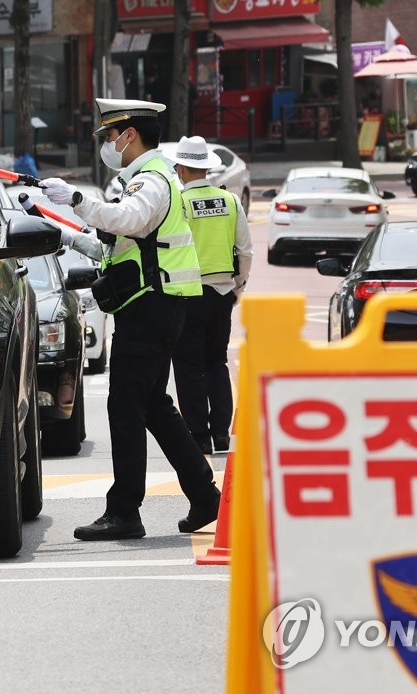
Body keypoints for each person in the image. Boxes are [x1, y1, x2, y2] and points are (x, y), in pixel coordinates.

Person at [42, 98, 221, 542]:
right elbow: (114, 246)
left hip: (152, 307)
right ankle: (204, 494)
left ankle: (125, 511)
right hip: (152, 305)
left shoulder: (153, 180)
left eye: (110, 136)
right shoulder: (141, 180)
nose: (107, 144)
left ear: (130, 135)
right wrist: (62, 230)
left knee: (125, 407)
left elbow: (132, 221)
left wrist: (79, 199)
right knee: (153, 406)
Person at [166, 136, 252, 455]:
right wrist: (238, 287)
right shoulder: (229, 201)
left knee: (188, 365)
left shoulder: (178, 202)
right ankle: (221, 434)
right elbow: (245, 249)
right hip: (221, 293)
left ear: (184, 169)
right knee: (217, 361)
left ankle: (199, 436)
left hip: (186, 294)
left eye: (178, 165)